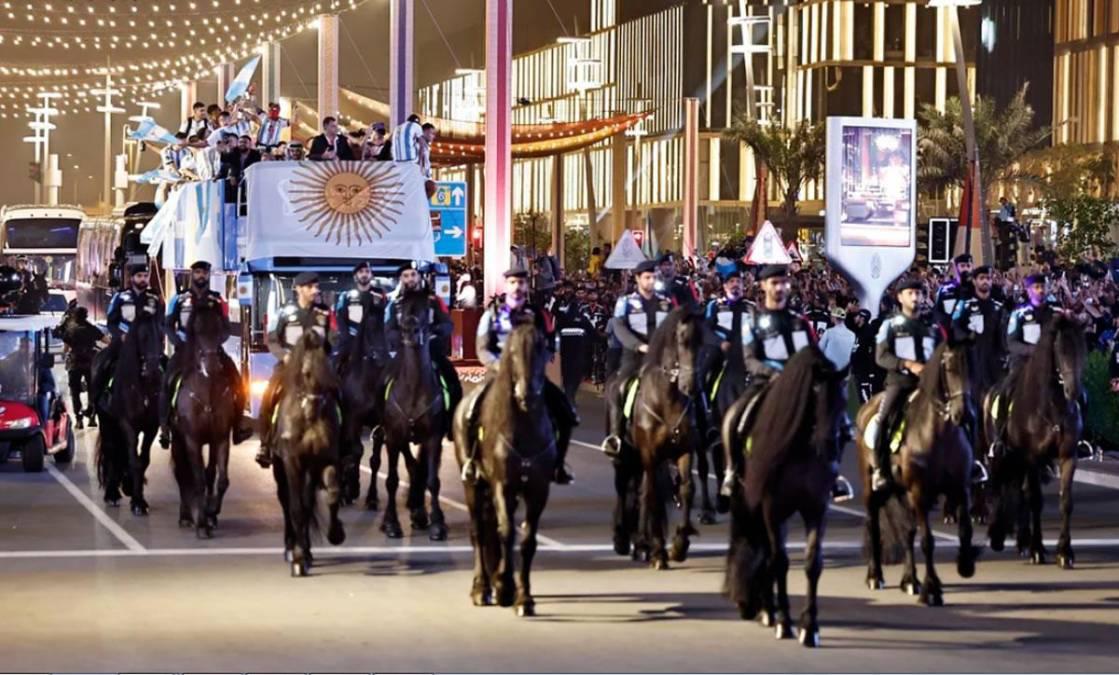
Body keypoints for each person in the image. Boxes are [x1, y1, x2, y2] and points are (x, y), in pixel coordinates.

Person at [467, 269, 578, 485]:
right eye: (512, 282)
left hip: (531, 374)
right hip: (498, 374)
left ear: (527, 286)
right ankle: (473, 461)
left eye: (521, 282)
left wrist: (536, 365)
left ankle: (559, 465)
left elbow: (550, 343)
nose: (517, 286)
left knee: (565, 412)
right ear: (506, 285)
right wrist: (502, 367)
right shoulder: (492, 314)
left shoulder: (538, 314)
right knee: (471, 412)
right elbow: (482, 348)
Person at [159, 261, 252, 449]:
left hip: (212, 350)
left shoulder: (218, 300)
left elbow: (226, 327)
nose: (201, 276)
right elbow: (168, 326)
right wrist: (179, 343)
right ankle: (165, 426)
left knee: (237, 380)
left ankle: (238, 424)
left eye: (205, 273)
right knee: (167, 380)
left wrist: (214, 343)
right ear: (192, 274)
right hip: (185, 349)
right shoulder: (178, 299)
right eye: (198, 272)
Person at [255, 272, 333, 469]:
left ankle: (343, 443)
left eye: (316, 286)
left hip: (316, 366)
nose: (315, 290)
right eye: (309, 287)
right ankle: (265, 444)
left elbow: (334, 337)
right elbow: (272, 339)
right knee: (269, 397)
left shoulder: (324, 313)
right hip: (288, 367)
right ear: (298, 289)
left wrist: (325, 352)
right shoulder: (283, 313)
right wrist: (284, 356)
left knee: (339, 395)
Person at [869, 279, 940, 491]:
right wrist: (906, 364)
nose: (915, 297)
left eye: (919, 293)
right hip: (900, 383)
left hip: (929, 384)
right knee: (883, 421)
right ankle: (880, 469)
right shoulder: (889, 325)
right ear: (900, 297)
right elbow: (881, 356)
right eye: (910, 293)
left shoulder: (931, 327)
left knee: (960, 414)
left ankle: (969, 464)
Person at [602, 259, 676, 457]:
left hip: (661, 359)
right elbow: (619, 327)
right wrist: (638, 345)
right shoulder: (626, 302)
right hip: (634, 357)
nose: (651, 281)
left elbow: (673, 327)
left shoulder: (665, 302)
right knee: (619, 388)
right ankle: (616, 436)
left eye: (654, 277)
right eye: (647, 277)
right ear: (637, 279)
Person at [383, 262, 461, 440]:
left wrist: (434, 332)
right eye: (406, 276)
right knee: (381, 381)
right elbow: (388, 329)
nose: (410, 279)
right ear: (401, 280)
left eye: (413, 275)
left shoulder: (434, 301)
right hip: (404, 353)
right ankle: (382, 425)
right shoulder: (395, 304)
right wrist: (402, 338)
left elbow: (448, 324)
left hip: (431, 352)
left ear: (419, 277)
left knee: (452, 380)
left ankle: (451, 424)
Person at [91, 264, 165, 405]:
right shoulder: (121, 297)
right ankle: (94, 402)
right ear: (132, 278)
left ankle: (165, 410)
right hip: (123, 343)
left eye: (145, 276)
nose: (143, 279)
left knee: (166, 367)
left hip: (148, 345)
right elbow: (111, 322)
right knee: (103, 364)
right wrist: (120, 335)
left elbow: (159, 323)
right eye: (139, 276)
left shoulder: (153, 299)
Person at [333, 261, 388, 371]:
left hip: (375, 340)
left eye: (367, 271)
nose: (364, 274)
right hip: (352, 338)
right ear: (355, 276)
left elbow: (385, 317)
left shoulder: (380, 294)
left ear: (371, 275)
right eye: (361, 272)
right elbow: (340, 319)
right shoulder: (347, 296)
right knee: (335, 363)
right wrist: (346, 337)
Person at [61, 307, 104, 430]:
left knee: (75, 392)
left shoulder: (70, 330)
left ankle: (79, 419)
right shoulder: (92, 329)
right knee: (93, 391)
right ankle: (92, 418)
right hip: (90, 363)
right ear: (86, 316)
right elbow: (106, 341)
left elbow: (65, 349)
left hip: (75, 364)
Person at [933, 254, 973, 330]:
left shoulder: (978, 288)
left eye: (968, 266)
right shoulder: (945, 289)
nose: (965, 269)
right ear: (956, 267)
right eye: (962, 266)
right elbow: (938, 312)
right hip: (951, 332)